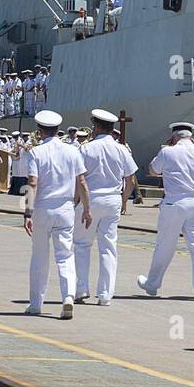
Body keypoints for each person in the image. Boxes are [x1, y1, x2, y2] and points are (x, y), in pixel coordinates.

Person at [138, 121, 194, 301]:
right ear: (191, 136)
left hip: (174, 203)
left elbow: (152, 170)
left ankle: (153, 284)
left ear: (173, 136)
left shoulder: (167, 151)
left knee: (165, 245)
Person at [23, 110, 90, 319]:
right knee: (65, 255)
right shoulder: (73, 151)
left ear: (40, 130)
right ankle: (68, 297)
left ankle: (36, 304)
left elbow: (33, 183)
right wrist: (87, 209)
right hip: (66, 208)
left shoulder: (36, 152)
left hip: (43, 207)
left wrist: (27, 212)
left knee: (40, 256)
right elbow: (82, 182)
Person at [74, 109, 138, 306]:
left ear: (96, 126)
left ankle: (81, 289)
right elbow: (131, 179)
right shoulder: (122, 149)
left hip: (91, 199)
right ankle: (105, 295)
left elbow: (79, 179)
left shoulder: (86, 149)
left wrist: (76, 202)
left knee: (82, 244)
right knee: (108, 247)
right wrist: (124, 200)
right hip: (113, 200)